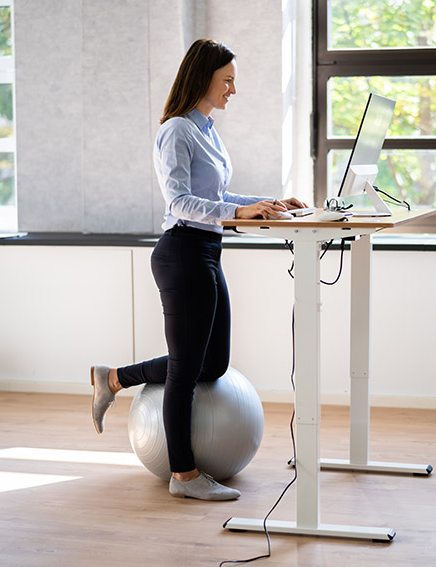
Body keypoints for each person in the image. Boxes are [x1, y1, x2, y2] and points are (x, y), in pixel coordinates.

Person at [90, 39, 305, 501]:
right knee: (188, 371)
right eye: (227, 80)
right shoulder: (176, 131)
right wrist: (243, 214)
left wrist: (267, 203)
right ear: (203, 77)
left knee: (212, 363)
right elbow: (180, 202)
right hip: (182, 252)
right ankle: (183, 476)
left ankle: (113, 378)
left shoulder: (207, 130)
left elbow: (219, 197)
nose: (233, 89)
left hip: (207, 249)